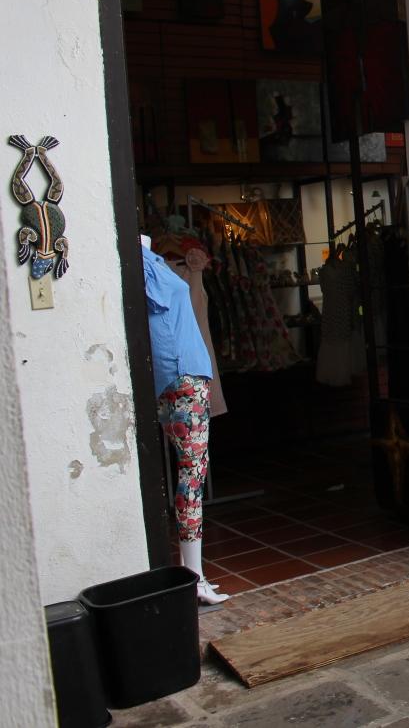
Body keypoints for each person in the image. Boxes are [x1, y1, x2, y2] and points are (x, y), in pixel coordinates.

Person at [141, 236, 227, 605]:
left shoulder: (149, 260)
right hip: (182, 376)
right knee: (192, 475)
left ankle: (195, 574)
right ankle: (194, 577)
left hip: (179, 376)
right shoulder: (143, 262)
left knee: (190, 471)